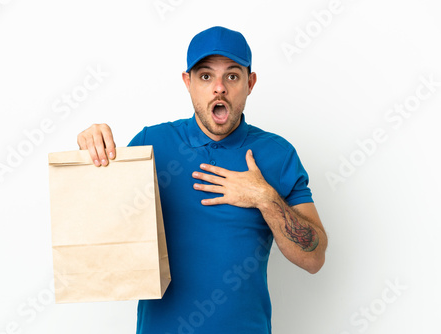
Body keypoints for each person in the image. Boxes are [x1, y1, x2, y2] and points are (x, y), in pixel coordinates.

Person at [77, 26, 327, 334]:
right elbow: (100, 236)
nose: (219, 88)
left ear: (250, 83)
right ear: (188, 83)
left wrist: (265, 198)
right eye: (206, 76)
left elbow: (314, 258)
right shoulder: (149, 145)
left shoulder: (278, 154)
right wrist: (92, 156)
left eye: (232, 76)